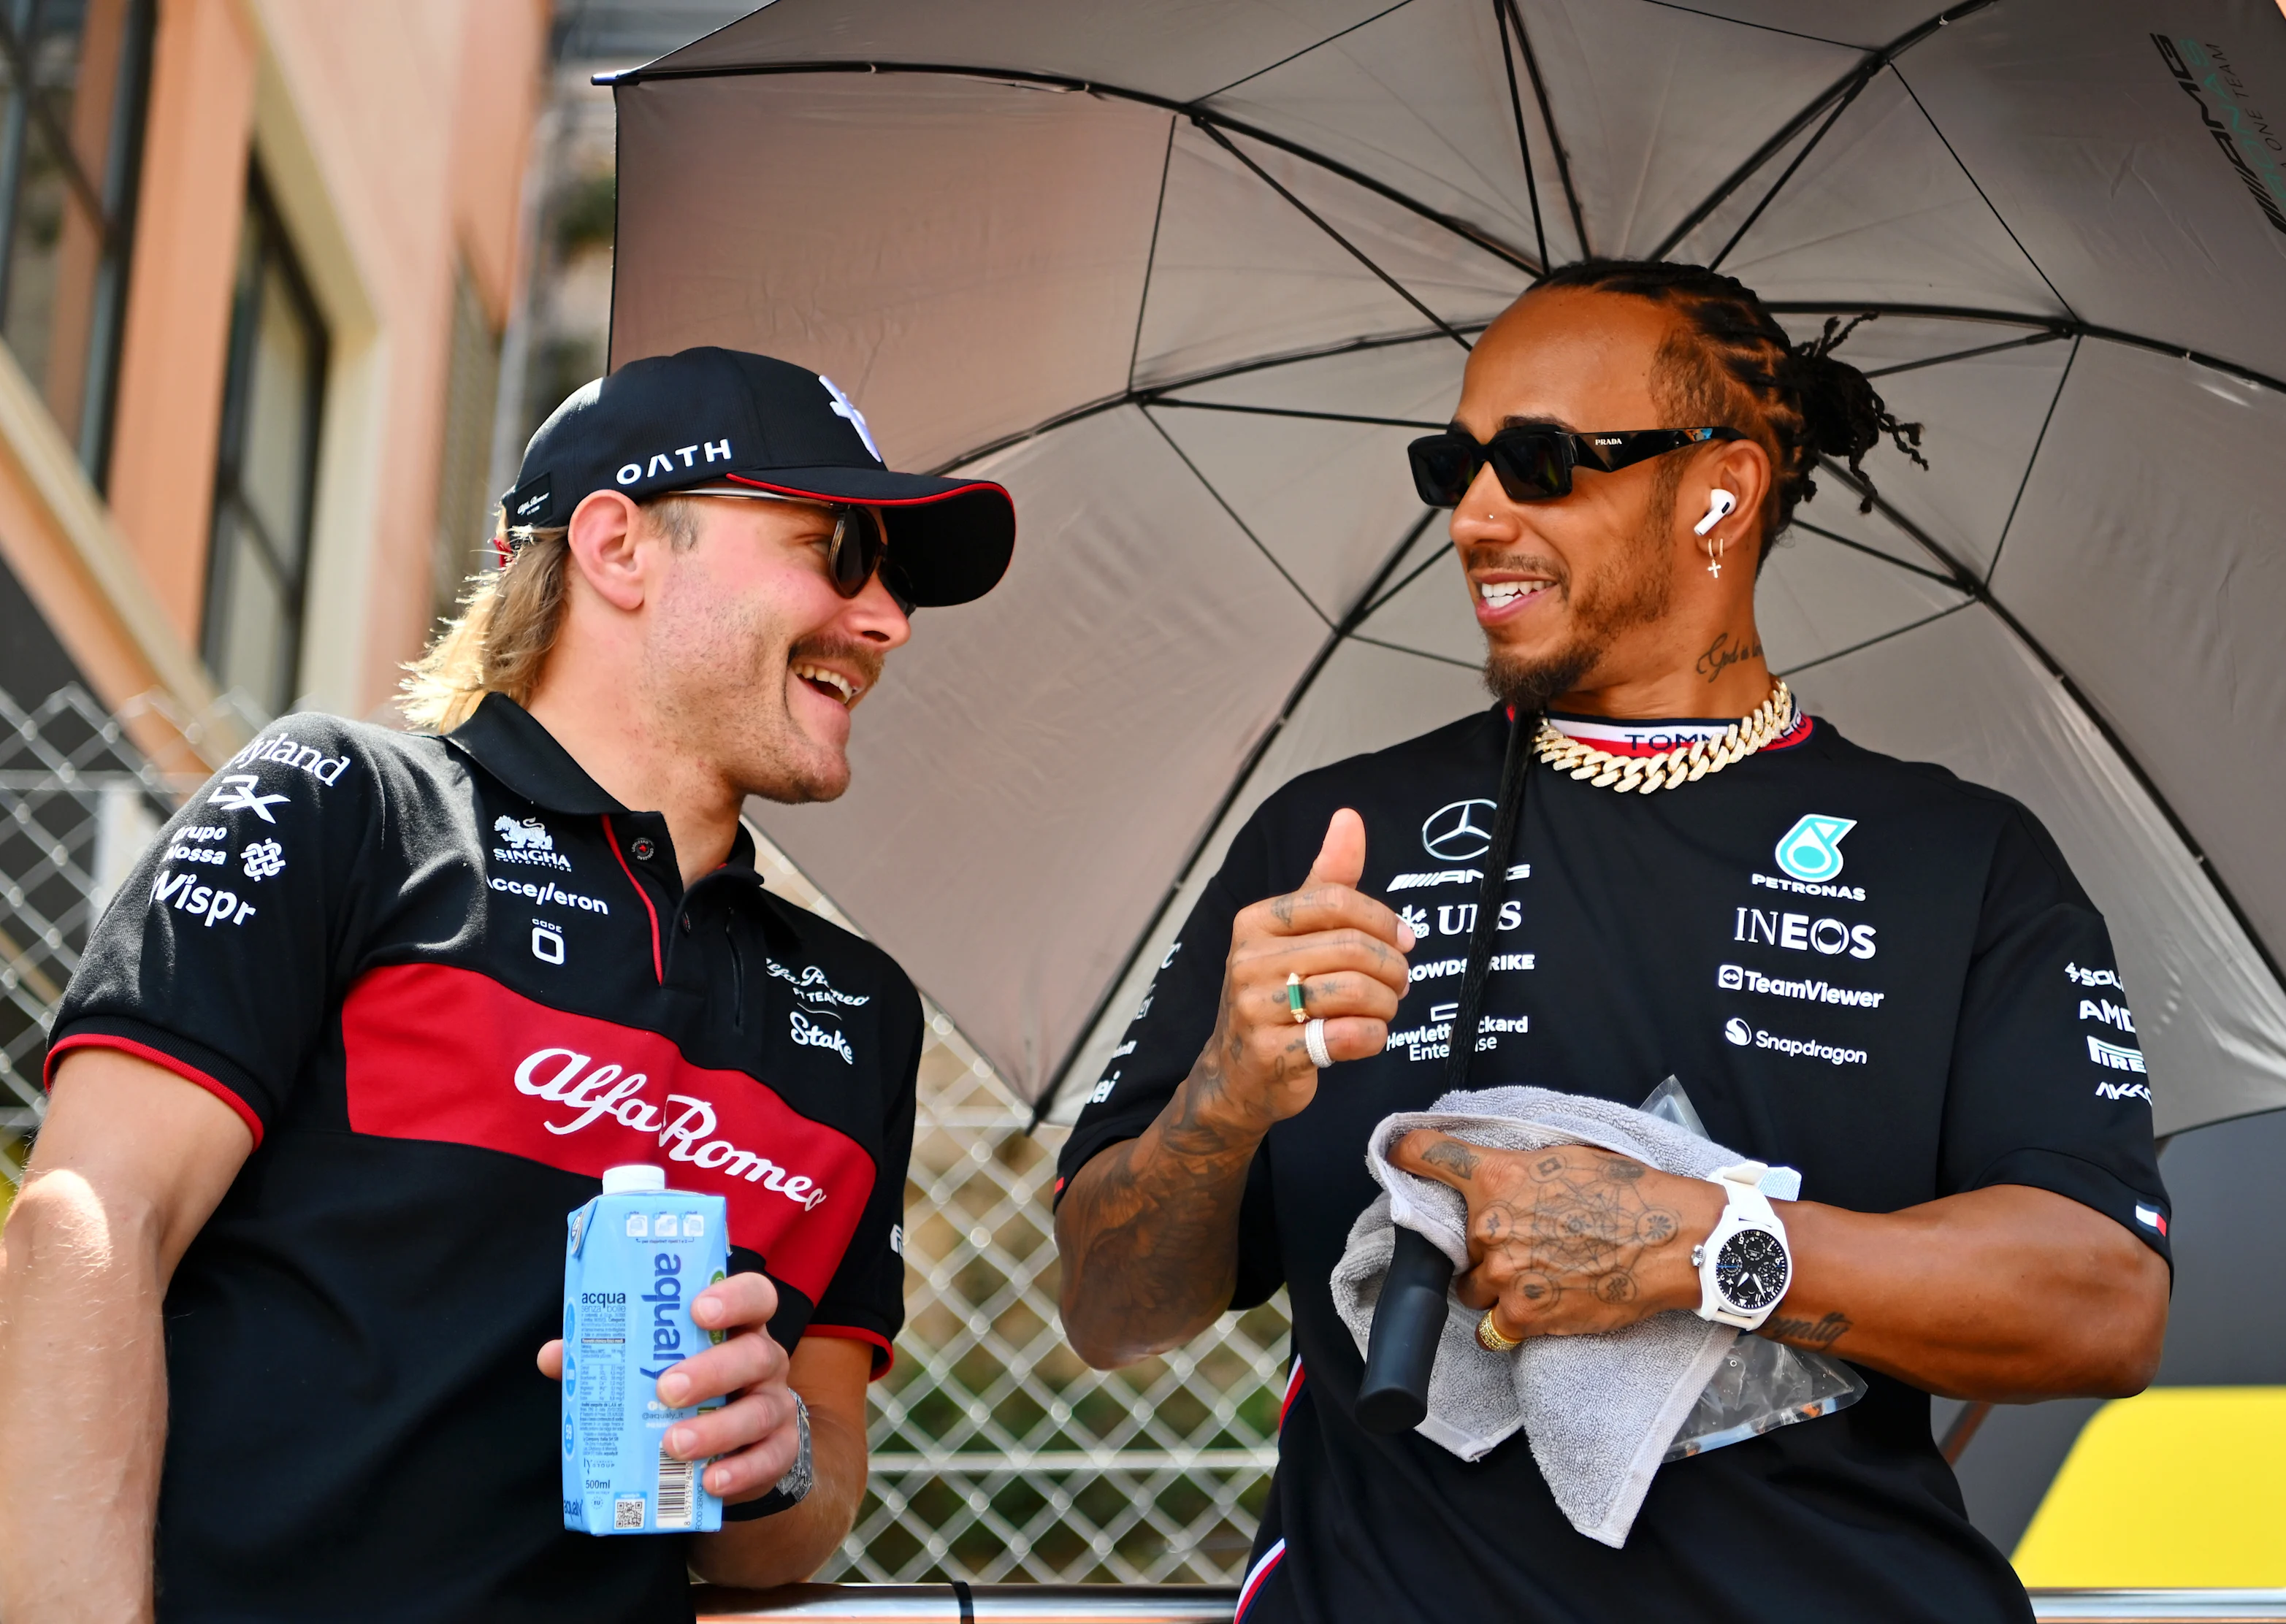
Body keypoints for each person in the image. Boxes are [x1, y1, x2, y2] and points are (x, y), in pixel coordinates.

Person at [1054, 261, 2172, 1623]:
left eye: (1540, 462)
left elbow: (2103, 1302)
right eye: (1452, 465)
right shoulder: (1331, 836)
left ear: (1721, 492)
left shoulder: (1961, 860)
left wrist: (1697, 1244)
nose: (1474, 516)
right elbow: (1112, 1309)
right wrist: (1224, 1099)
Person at [0, 348, 1013, 1623]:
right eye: (839, 552)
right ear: (618, 547)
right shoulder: (344, 807)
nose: (887, 622)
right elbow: (88, 1225)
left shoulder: (861, 1011)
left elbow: (781, 1539)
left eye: (896, 583)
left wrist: (774, 1456)